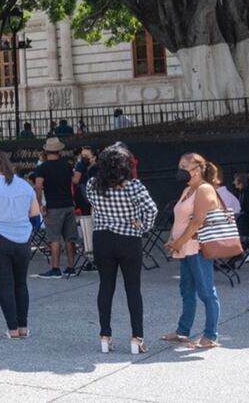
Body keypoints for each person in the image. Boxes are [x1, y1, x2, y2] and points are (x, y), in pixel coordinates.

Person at [85, 144, 157, 354]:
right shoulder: (134, 187)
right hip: (128, 238)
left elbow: (92, 204)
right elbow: (151, 209)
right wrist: (142, 225)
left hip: (102, 237)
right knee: (133, 288)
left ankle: (105, 335)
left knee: (105, 286)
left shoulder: (92, 184)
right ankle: (137, 337)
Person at [0, 151, 41, 339]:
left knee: (5, 284)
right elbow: (35, 212)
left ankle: (12, 329)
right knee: (20, 283)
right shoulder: (25, 185)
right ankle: (24, 327)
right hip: (22, 239)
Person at [162, 153, 222, 349]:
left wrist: (179, 242)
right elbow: (179, 217)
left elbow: (197, 221)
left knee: (206, 291)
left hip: (197, 247)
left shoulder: (204, 190)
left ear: (196, 169)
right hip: (184, 248)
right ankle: (182, 331)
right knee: (186, 291)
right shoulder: (188, 189)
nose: (180, 170)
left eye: (183, 166)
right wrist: (173, 238)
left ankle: (210, 335)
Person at [32, 137, 79, 278]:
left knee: (54, 238)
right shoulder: (67, 166)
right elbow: (72, 182)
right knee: (70, 238)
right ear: (59, 150)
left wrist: (40, 204)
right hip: (68, 204)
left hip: (53, 206)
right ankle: (71, 267)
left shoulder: (42, 168)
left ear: (46, 151)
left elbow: (39, 187)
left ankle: (55, 268)